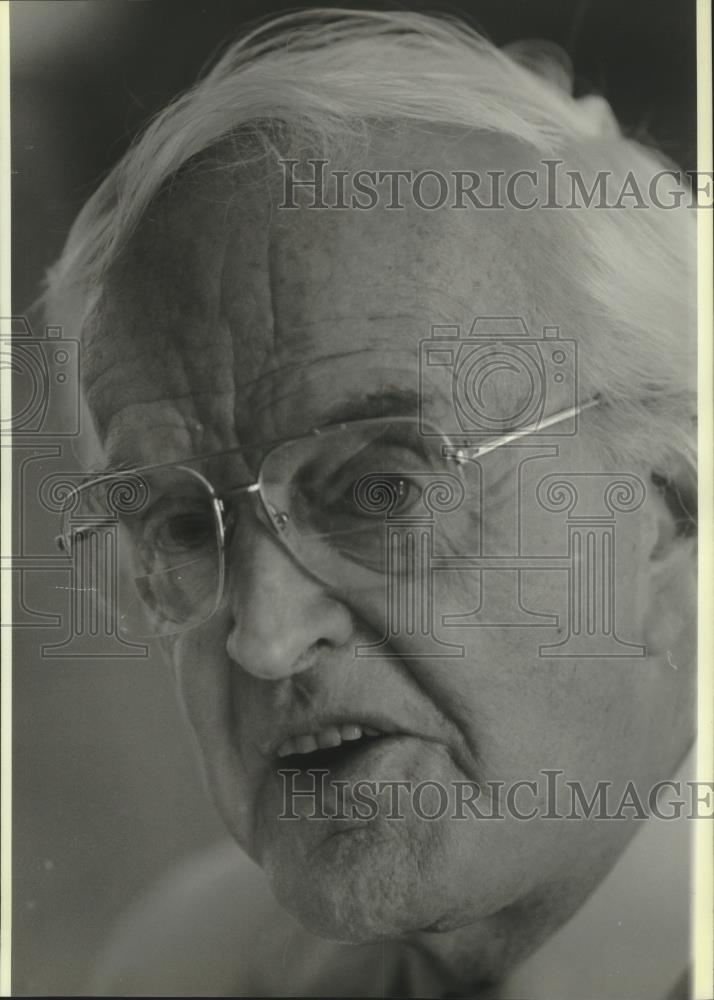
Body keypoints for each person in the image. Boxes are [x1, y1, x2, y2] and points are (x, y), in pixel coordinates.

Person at [44, 10, 697, 997]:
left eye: (383, 490)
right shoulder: (178, 965)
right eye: (182, 527)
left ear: (666, 517)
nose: (262, 639)